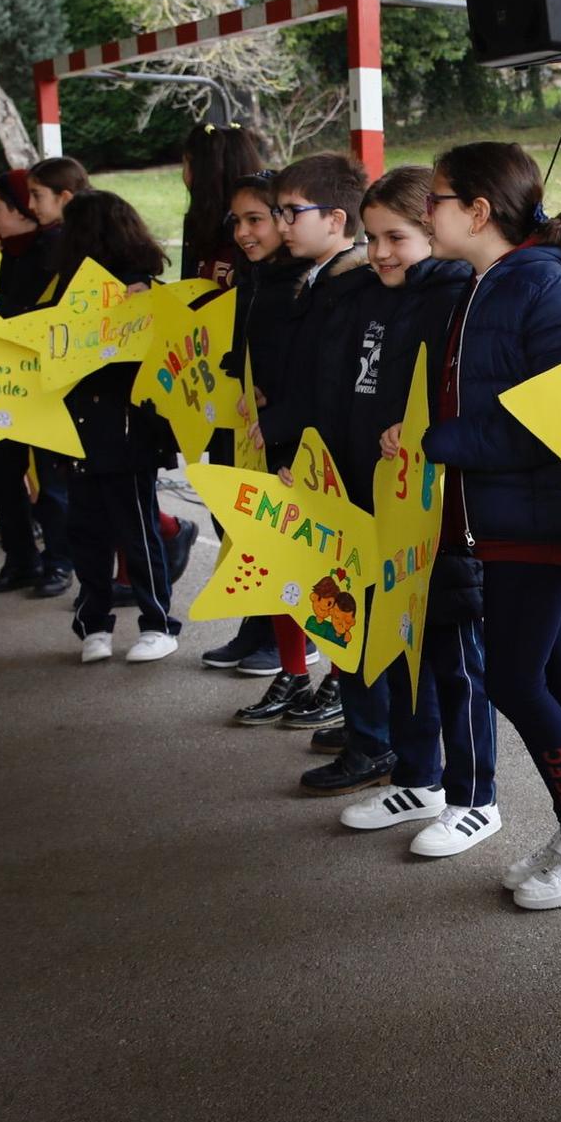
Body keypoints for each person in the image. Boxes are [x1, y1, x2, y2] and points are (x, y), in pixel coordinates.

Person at [421, 140, 561, 909]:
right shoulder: (484, 282)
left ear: (478, 210)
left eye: (436, 198)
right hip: (508, 516)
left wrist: (442, 441)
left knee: (511, 677)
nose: (425, 211)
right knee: (551, 675)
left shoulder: (549, 287)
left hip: (546, 518)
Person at [266, 163, 499, 819]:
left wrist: (427, 434)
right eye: (372, 239)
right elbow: (339, 396)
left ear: (434, 229)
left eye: (395, 237)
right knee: (391, 648)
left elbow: (473, 402)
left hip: (436, 512)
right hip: (366, 501)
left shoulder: (458, 295)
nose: (380, 253)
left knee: (453, 661)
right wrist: (313, 467)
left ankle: (474, 797)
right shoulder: (369, 294)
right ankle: (420, 779)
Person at [234, 152, 373, 740]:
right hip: (292, 441)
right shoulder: (306, 280)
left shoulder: (351, 284)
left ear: (336, 219)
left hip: (319, 450)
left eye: (289, 213)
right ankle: (316, 678)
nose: (279, 224)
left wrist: (284, 419)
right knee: (290, 564)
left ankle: (350, 687)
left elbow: (329, 379)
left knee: (334, 574)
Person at [51, 190, 179, 664]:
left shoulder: (141, 288)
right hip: (78, 427)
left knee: (136, 528)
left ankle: (158, 623)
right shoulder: (67, 288)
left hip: (126, 430)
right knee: (85, 529)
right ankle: (94, 624)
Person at [201, 171, 314, 682]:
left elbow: (307, 363)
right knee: (240, 525)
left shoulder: (297, 283)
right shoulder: (255, 276)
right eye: (237, 222)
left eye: (256, 220)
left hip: (284, 432)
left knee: (280, 535)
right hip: (246, 423)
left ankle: (295, 636)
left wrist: (275, 397)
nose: (244, 233)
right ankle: (259, 621)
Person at [0, 168, 72, 597]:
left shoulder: (57, 247)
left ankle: (59, 562)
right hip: (8, 379)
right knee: (0, 469)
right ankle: (21, 560)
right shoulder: (13, 251)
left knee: (51, 478)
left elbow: (45, 315)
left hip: (45, 379)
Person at [179, 123, 262, 287]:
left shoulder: (256, 232)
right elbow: (188, 292)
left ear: (201, 172)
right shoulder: (198, 223)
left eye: (185, 164)